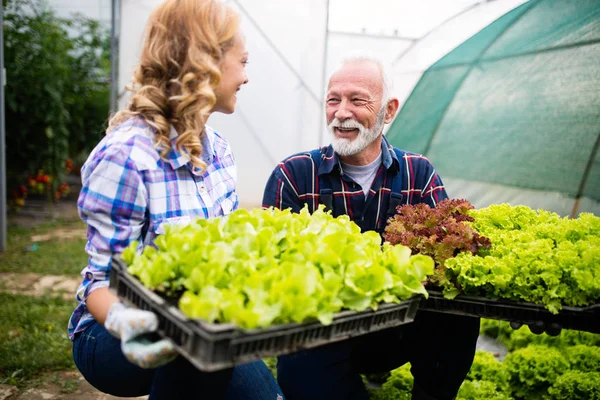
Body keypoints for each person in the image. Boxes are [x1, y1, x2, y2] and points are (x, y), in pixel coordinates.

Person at [68, 1, 284, 399]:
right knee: (195, 348)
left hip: (194, 324)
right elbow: (101, 281)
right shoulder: (127, 156)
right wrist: (131, 323)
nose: (246, 77)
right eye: (243, 61)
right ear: (206, 62)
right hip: (110, 335)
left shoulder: (219, 150)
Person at [262, 56, 480, 400]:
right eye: (333, 99)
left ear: (389, 111)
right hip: (323, 332)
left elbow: (452, 258)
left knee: (459, 311)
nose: (341, 112)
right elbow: (268, 268)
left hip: (399, 328)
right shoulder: (294, 175)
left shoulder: (418, 173)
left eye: (357, 100)